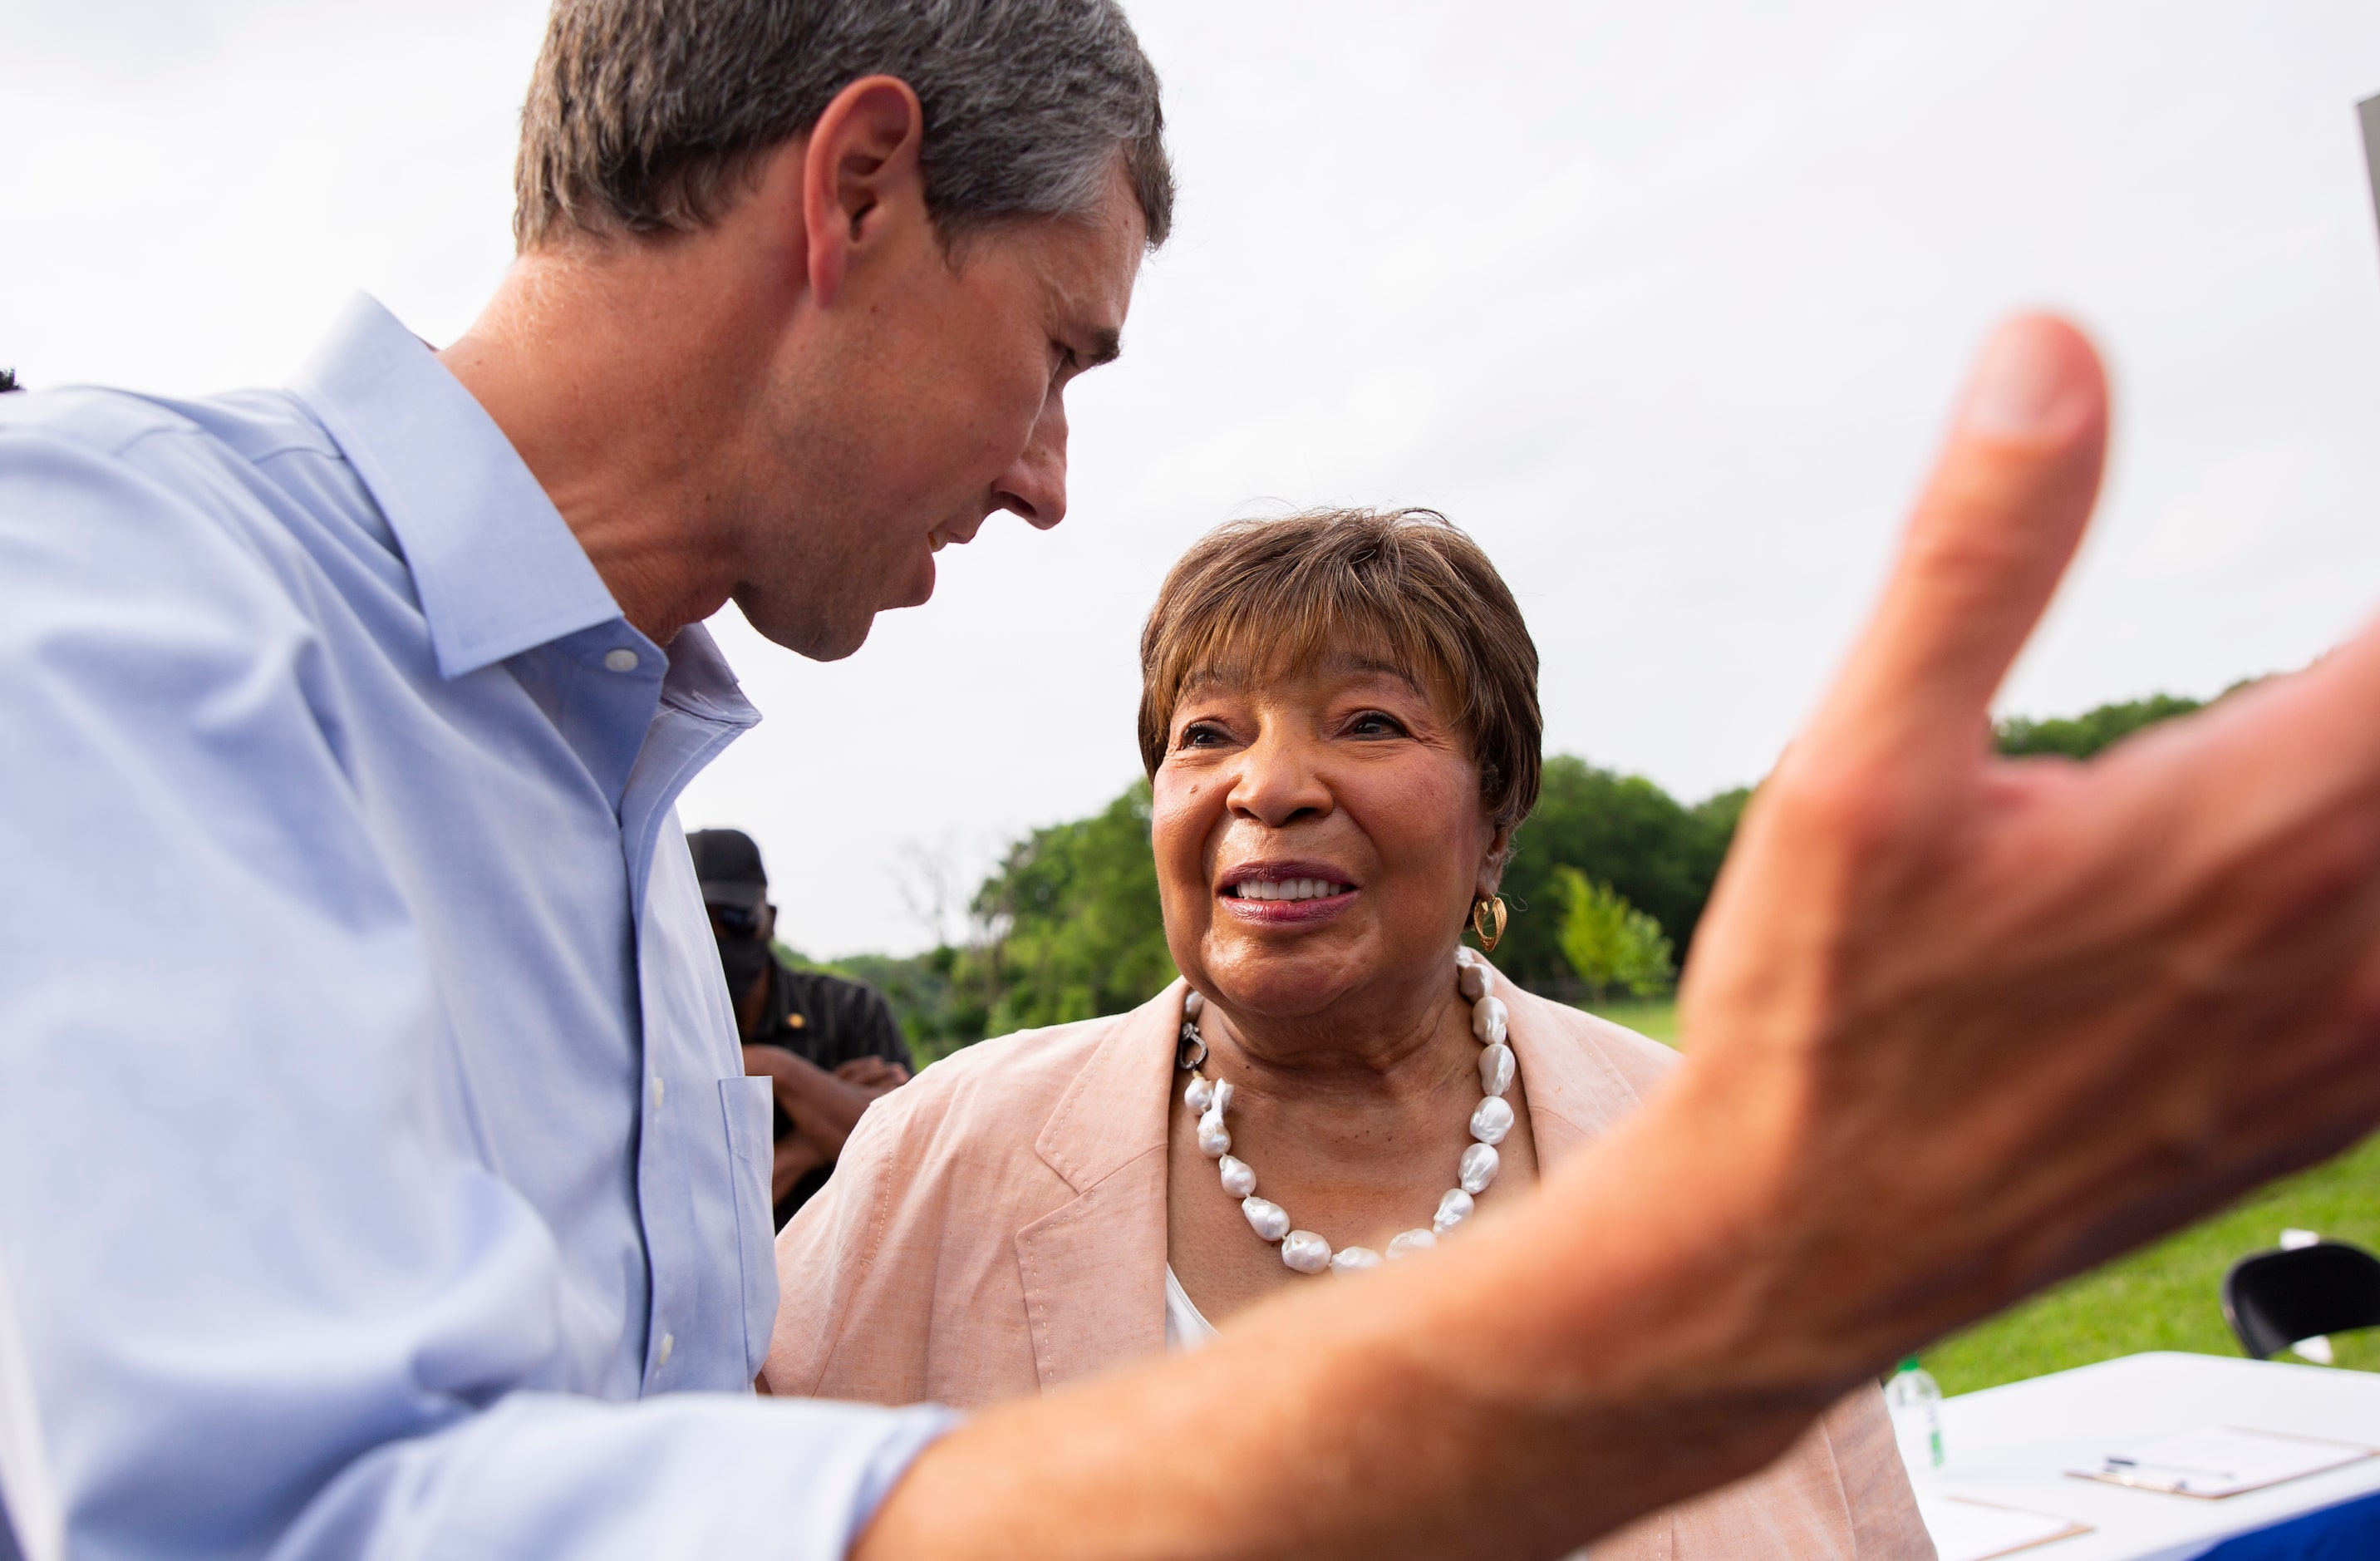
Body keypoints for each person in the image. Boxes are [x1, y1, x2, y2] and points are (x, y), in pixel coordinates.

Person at [6, 0, 2380, 1555]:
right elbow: (291, 1512)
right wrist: (1727, 1283)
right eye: (1058, 350)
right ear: (853, 190)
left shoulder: (611, 809)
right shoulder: (113, 583)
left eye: (1369, 721)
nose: (1050, 478)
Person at [769, 509, 1929, 1555]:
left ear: (1496, 820)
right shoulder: (945, 1152)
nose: (1268, 786)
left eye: (1369, 721)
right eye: (1208, 731)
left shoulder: (1713, 1158)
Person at [691, 826, 913, 1224]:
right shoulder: (660, 1033)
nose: (718, 937)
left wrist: (779, 1068)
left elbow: (909, 1157)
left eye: (734, 917)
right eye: (698, 923)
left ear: (769, 919)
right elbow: (703, 1218)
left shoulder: (849, 1010)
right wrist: (826, 1127)